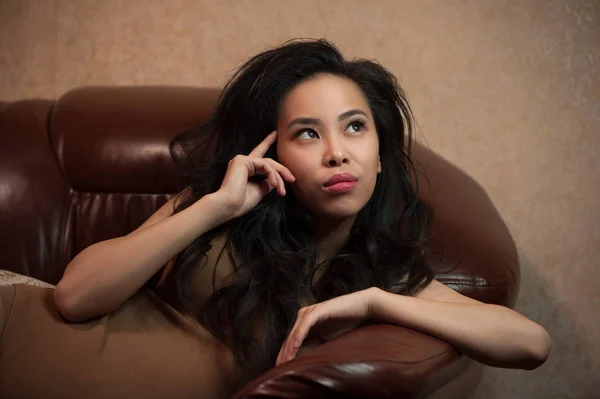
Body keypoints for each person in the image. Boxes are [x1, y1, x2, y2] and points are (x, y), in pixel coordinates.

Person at [0, 39, 550, 398]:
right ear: (275, 151)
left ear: (381, 157)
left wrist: (377, 301)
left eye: (354, 127)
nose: (337, 152)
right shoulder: (218, 207)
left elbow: (529, 343)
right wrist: (215, 206)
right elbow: (74, 296)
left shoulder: (382, 274)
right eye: (307, 133)